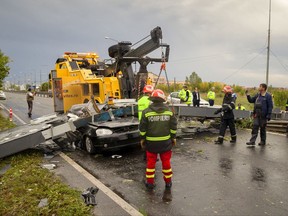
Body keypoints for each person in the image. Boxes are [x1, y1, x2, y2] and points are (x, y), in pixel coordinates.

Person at [139, 89, 177, 190]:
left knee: (150, 163)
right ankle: (168, 183)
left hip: (151, 143)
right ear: (163, 99)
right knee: (166, 163)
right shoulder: (169, 111)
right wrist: (173, 138)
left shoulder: (146, 112)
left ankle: (150, 183)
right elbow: (173, 127)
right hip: (166, 143)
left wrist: (142, 139)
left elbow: (142, 129)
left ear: (152, 99)